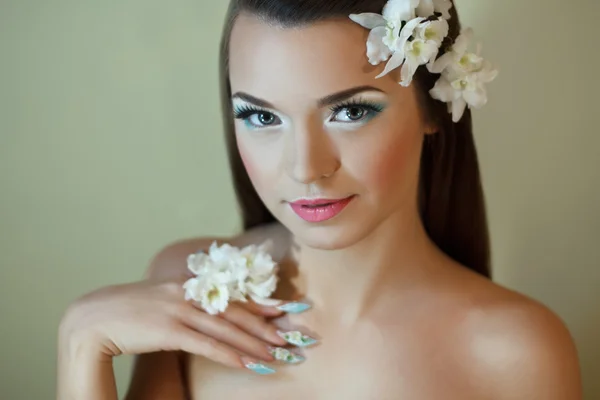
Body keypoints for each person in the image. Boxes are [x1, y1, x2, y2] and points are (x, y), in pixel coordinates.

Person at [56, 0, 583, 399]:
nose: (306, 167)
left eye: (351, 112)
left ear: (431, 109)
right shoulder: (186, 291)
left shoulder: (517, 352)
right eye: (262, 117)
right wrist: (83, 340)